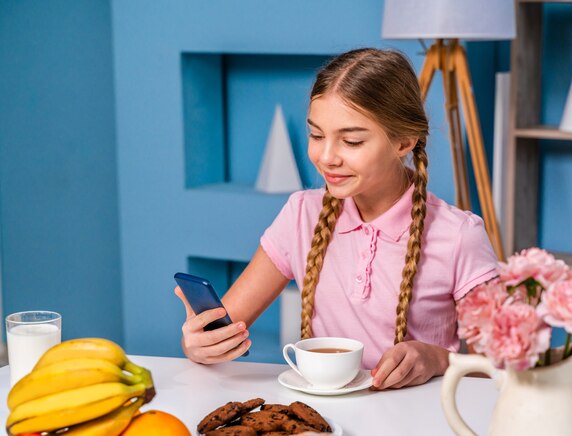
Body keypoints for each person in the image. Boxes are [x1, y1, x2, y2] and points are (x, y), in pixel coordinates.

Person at [175, 48, 498, 390]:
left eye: (352, 140)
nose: (326, 157)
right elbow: (222, 330)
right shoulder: (301, 215)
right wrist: (198, 344)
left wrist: (436, 359)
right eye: (316, 135)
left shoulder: (460, 235)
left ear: (404, 140)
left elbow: (494, 371)